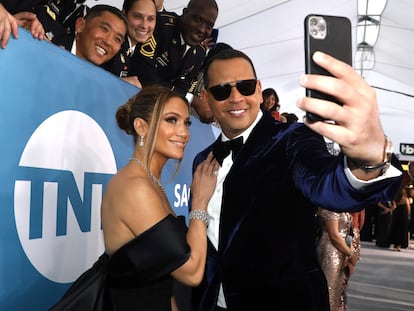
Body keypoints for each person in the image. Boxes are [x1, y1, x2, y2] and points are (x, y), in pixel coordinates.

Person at [189, 48, 403, 310]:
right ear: (207, 98)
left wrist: (369, 160)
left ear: (258, 89)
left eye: (244, 87)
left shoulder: (291, 139)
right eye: (222, 90)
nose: (236, 98)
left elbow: (329, 186)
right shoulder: (202, 160)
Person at [100, 85, 220, 310]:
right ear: (141, 127)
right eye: (171, 120)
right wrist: (200, 202)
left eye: (186, 122)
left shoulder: (149, 182)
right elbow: (192, 272)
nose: (184, 132)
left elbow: (160, 277)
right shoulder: (135, 188)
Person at [129, 0, 218, 96]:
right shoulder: (161, 25)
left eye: (209, 26)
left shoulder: (200, 53)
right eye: (197, 19)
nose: (201, 29)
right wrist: (189, 98)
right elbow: (144, 74)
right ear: (185, 13)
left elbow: (183, 87)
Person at [102, 0, 157, 88]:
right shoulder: (112, 44)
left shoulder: (139, 49)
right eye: (137, 17)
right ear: (124, 14)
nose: (144, 25)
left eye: (150, 19)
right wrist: (120, 83)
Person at [59, 4, 127, 67]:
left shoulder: (105, 76)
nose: (108, 42)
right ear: (80, 25)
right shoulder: (52, 47)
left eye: (118, 39)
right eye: (104, 29)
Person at [316, 208, 356, 310]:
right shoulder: (330, 208)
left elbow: (347, 233)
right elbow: (334, 235)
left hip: (341, 251)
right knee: (329, 289)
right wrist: (350, 253)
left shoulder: (341, 206)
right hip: (330, 253)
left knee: (336, 291)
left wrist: (349, 252)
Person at [390, 187, 411, 251]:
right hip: (403, 217)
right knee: (402, 231)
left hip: (396, 216)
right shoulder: (405, 199)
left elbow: (394, 206)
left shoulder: (395, 199)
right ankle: (400, 245)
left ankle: (395, 244)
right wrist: (408, 215)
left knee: (396, 229)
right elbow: (408, 208)